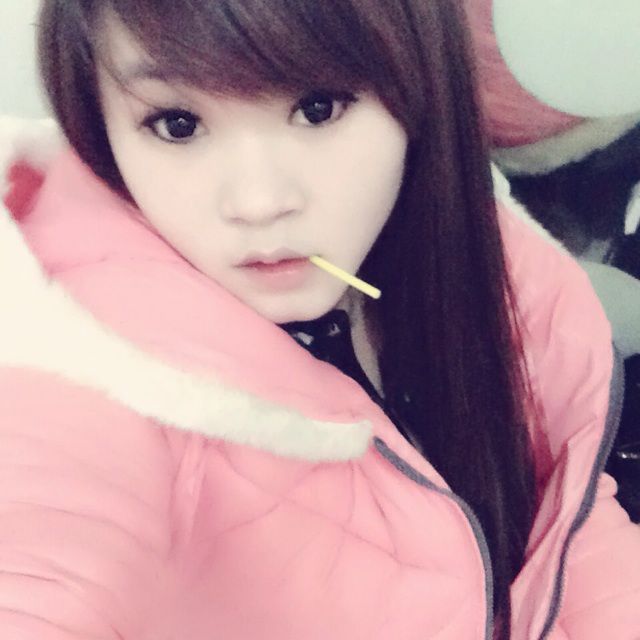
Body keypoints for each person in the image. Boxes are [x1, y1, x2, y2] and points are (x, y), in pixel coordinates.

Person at [0, 1, 638, 638]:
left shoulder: (483, 267)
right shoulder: (81, 368)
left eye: (318, 108)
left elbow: (570, 530)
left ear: (423, 86)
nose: (260, 202)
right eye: (178, 124)